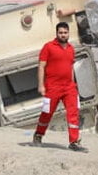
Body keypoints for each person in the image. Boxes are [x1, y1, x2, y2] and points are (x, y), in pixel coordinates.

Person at [33, 22, 87, 152]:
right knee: (47, 113)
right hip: (52, 87)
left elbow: (70, 68)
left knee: (73, 113)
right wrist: (41, 85)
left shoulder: (71, 49)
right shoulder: (48, 47)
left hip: (69, 87)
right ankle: (38, 135)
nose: (63, 35)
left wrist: (74, 85)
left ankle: (74, 141)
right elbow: (41, 66)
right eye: (60, 33)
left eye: (65, 32)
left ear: (68, 33)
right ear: (57, 33)